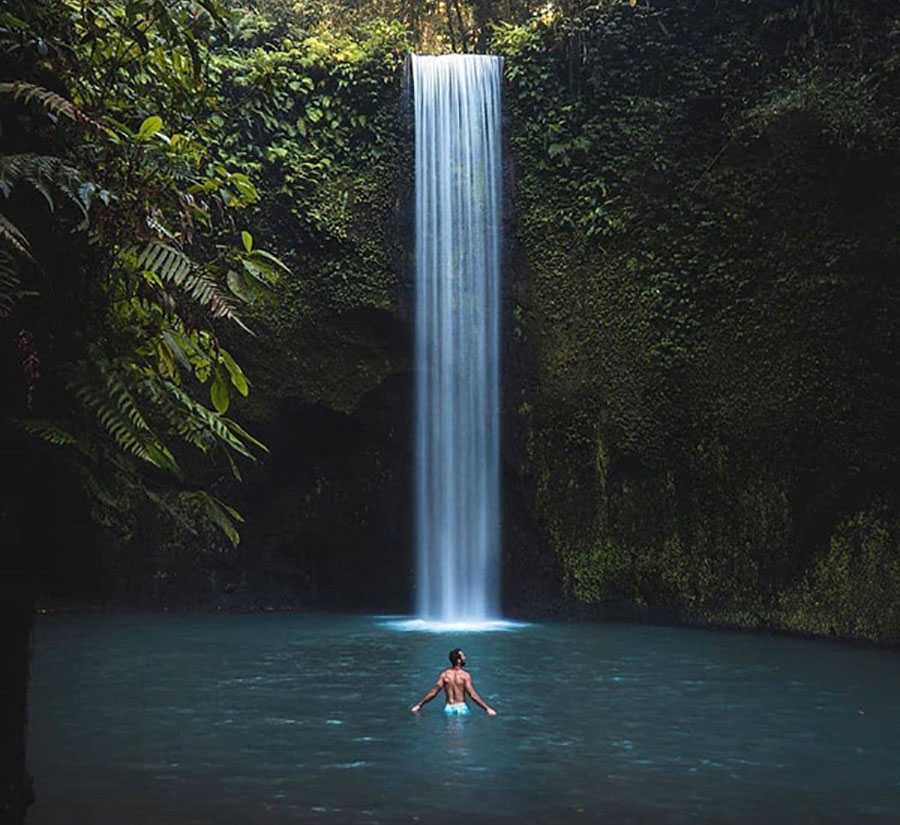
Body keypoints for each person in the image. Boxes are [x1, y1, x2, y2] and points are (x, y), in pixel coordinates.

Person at [410, 648, 497, 717]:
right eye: (463, 656)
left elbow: (434, 692)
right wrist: (487, 708)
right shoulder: (465, 676)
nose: (465, 658)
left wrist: (419, 705)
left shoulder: (445, 675)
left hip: (448, 708)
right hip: (461, 708)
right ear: (458, 660)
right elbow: (473, 695)